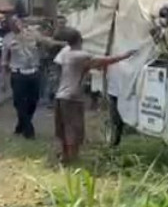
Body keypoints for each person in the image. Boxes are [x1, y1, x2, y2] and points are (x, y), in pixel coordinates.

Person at [54, 29, 136, 164]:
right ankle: (73, 159)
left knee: (63, 128)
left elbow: (86, 66)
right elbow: (105, 60)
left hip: (61, 96)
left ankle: (65, 157)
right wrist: (125, 55)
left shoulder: (66, 54)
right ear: (80, 40)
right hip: (73, 97)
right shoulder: (82, 55)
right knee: (74, 130)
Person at [2, 17, 66, 139]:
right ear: (10, 25)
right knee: (19, 103)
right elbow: (4, 60)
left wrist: (66, 43)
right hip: (18, 73)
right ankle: (28, 129)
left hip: (33, 72)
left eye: (19, 22)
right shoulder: (8, 39)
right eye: (13, 23)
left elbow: (48, 42)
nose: (17, 25)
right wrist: (3, 80)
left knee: (33, 101)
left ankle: (21, 124)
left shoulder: (33, 35)